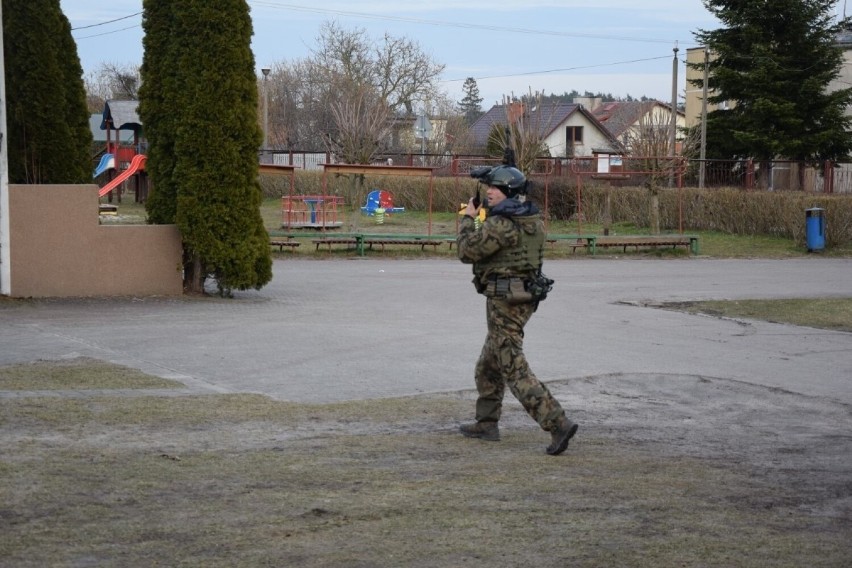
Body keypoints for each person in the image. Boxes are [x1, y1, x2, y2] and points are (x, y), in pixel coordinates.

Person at [456, 165, 578, 456]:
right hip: (522, 297)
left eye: (495, 188)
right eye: (489, 187)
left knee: (513, 367)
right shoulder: (531, 219)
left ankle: (557, 423)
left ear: (509, 192)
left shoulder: (503, 225)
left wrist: (466, 219)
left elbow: (466, 251)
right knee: (489, 364)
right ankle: (486, 423)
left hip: (505, 302)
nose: (489, 192)